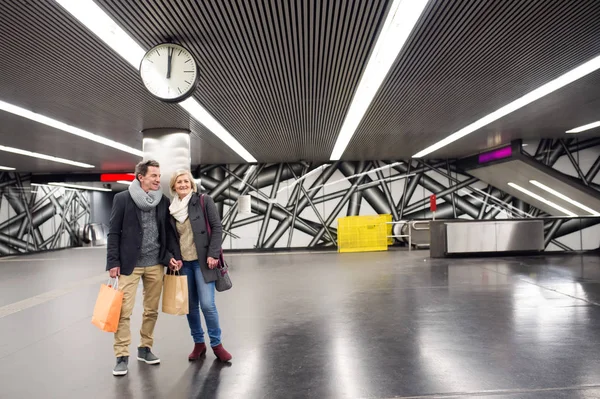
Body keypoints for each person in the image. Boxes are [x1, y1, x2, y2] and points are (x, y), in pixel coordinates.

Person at [106, 160, 181, 376]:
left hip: (155, 263)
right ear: (141, 177)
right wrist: (113, 262)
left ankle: (145, 348)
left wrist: (172, 257)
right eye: (154, 176)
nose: (158, 179)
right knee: (123, 312)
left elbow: (168, 232)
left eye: (159, 175)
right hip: (130, 265)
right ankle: (121, 356)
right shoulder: (122, 199)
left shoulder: (162, 201)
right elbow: (113, 232)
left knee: (151, 310)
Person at [168, 169, 232, 362]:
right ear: (174, 186)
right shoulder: (171, 209)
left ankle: (217, 344)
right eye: (179, 182)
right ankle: (198, 344)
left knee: (207, 305)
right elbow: (170, 237)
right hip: (183, 264)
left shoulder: (204, 201)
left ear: (192, 184)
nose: (183, 185)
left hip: (203, 262)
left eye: (186, 181)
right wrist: (172, 256)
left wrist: (213, 254)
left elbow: (217, 227)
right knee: (191, 308)